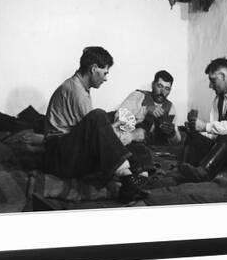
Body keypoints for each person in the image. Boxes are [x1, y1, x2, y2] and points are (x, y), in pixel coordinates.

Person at [43, 46, 148, 203]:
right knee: (100, 117)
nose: (106, 78)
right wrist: (119, 131)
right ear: (93, 69)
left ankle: (132, 172)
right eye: (105, 73)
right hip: (59, 157)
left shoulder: (77, 86)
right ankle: (129, 177)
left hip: (66, 151)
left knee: (114, 126)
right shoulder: (76, 91)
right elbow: (94, 134)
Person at [116, 70, 181, 146]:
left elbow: (177, 141)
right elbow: (118, 122)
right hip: (131, 144)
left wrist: (172, 133)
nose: (162, 92)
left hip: (156, 150)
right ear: (153, 85)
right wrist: (145, 110)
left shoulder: (170, 107)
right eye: (159, 86)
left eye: (167, 88)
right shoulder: (138, 96)